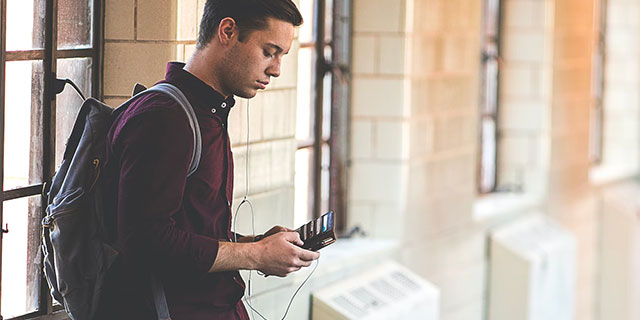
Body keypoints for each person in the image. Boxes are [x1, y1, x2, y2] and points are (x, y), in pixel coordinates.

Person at [98, 1, 320, 319]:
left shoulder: (207, 113)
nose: (276, 69)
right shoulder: (165, 117)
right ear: (227, 31)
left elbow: (191, 228)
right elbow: (145, 239)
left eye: (281, 55)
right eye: (269, 51)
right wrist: (255, 255)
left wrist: (256, 245)